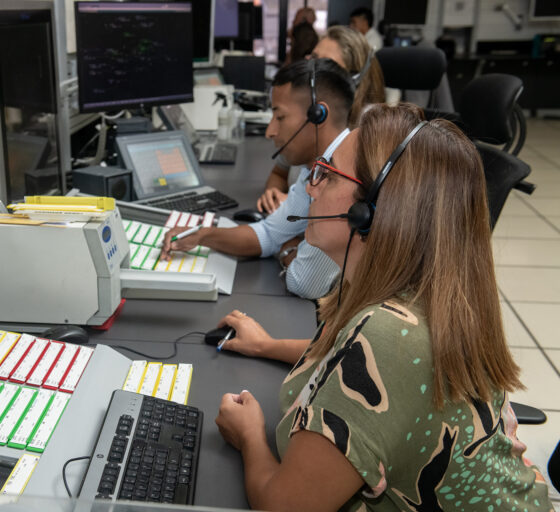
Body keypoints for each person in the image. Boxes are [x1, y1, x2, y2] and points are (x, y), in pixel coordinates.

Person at [214, 104, 553, 511]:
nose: (308, 188)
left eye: (326, 173)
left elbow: (284, 507)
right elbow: (352, 360)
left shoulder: (388, 336)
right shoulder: (412, 294)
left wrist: (250, 436)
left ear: (372, 208)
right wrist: (267, 345)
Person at [161, 59, 354, 300]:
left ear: (318, 115)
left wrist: (287, 249)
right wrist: (203, 235)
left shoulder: (344, 182)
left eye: (280, 118)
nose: (270, 131)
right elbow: (270, 234)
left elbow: (303, 281)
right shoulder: (315, 170)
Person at [258, 26, 385, 215]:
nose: (313, 71)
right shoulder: (306, 121)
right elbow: (279, 173)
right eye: (313, 58)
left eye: (326, 65)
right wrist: (273, 194)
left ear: (352, 81)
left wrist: (301, 209)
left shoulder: (368, 141)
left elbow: (359, 217)